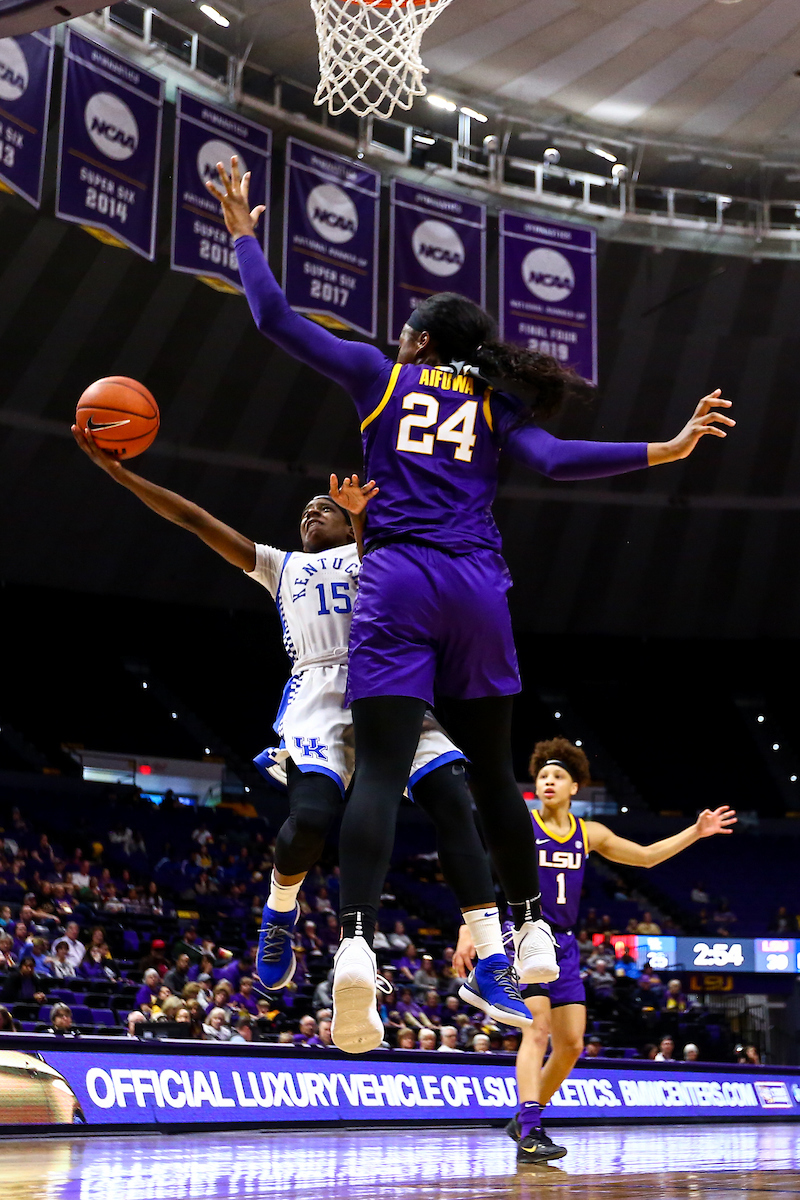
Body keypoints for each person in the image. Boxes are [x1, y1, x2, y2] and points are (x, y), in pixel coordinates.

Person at [210, 155, 735, 1055]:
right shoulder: (494, 403)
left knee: (381, 772)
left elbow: (274, 318)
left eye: (404, 333)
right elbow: (559, 462)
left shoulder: (379, 376)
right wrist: (667, 448)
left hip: (399, 580)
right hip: (477, 586)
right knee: (493, 773)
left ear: (418, 341)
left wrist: (245, 236)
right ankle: (530, 933)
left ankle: (356, 947)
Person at [73, 425, 530, 1040]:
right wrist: (121, 474)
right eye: (305, 511)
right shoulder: (280, 565)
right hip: (319, 695)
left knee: (454, 799)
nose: (312, 513)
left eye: (324, 508)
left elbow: (388, 567)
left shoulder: (373, 547)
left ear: (347, 522)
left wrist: (362, 518)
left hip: (387, 679)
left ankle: (492, 961)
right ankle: (279, 912)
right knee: (312, 820)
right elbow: (194, 519)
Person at [455, 736, 736, 1164]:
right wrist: (468, 927)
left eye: (557, 776)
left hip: (566, 945)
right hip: (525, 936)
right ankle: (530, 1130)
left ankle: (525, 1118)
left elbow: (645, 857)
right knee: (537, 1030)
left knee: (571, 1045)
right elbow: (481, 872)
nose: (548, 781)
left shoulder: (589, 833)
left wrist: (695, 832)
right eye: (543, 776)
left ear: (574, 787)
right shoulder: (522, 823)